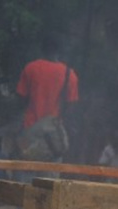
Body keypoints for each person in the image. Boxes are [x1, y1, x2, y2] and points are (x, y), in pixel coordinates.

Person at [15, 35, 79, 166]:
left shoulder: (31, 68)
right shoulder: (70, 75)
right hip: (53, 138)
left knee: (24, 177)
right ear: (60, 51)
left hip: (30, 130)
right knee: (49, 181)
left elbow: (21, 99)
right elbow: (71, 106)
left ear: (42, 48)